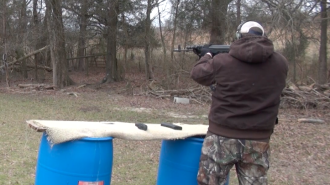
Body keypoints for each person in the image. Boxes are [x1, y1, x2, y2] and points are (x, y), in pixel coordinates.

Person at [190, 21, 288, 185]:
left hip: (221, 136)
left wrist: (206, 56)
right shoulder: (281, 63)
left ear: (238, 37)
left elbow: (198, 74)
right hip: (259, 138)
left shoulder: (222, 61)